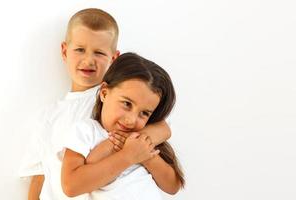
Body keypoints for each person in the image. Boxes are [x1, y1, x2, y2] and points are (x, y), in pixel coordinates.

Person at [19, 9, 171, 200]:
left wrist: (125, 143)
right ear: (65, 51)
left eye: (99, 52)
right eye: (80, 49)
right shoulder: (46, 117)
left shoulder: (117, 100)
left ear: (113, 58)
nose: (89, 60)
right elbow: (39, 177)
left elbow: (163, 129)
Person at [60, 52, 185, 200]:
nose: (132, 120)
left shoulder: (143, 140)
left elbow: (173, 186)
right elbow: (71, 186)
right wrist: (128, 156)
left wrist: (145, 156)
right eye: (127, 104)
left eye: (144, 113)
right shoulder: (86, 131)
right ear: (104, 93)